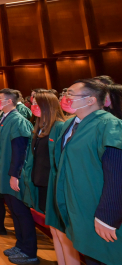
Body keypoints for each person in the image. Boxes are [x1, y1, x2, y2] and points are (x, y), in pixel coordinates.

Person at [55, 79, 122, 265]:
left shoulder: (109, 125)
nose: (66, 98)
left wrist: (107, 217)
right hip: (83, 211)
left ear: (91, 100)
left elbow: (117, 174)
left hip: (101, 215)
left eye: (70, 94)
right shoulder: (80, 124)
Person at [22, 91, 79, 265]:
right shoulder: (40, 127)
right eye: (32, 104)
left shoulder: (60, 126)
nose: (33, 108)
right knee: (54, 231)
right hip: (42, 183)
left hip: (54, 186)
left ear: (48, 106)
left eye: (38, 104)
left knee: (63, 235)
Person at [0, 88, 37, 264]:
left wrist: (14, 175)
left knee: (21, 212)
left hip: (13, 176)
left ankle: (29, 252)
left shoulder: (17, 120)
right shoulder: (4, 118)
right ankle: (20, 245)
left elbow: (19, 151)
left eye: (0, 99)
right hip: (4, 174)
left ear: (9, 101)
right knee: (14, 212)